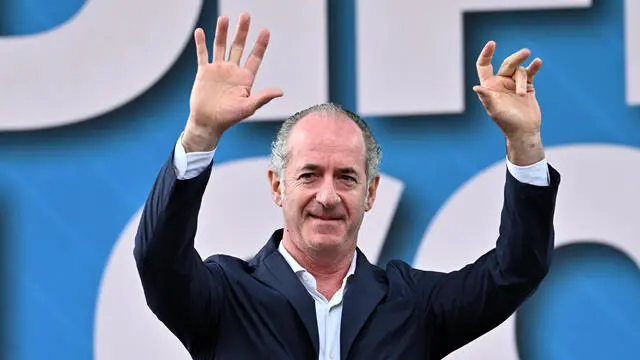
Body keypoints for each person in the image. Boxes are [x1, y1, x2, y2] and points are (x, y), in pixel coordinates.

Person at [134, 13, 560, 360]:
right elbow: (157, 258)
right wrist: (200, 134)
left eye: (346, 177)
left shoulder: (412, 305)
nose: (327, 196)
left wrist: (524, 143)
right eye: (309, 174)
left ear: (370, 193)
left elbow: (516, 269)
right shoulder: (225, 297)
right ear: (277, 186)